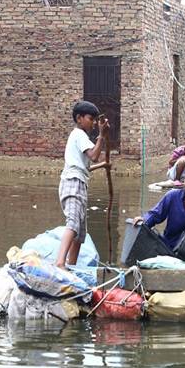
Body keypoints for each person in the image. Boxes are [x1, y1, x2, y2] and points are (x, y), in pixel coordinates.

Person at [55, 101, 110, 269]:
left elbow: (85, 165)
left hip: (79, 182)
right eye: (91, 119)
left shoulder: (81, 137)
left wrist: (104, 165)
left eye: (95, 120)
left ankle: (72, 266)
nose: (93, 123)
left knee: (80, 233)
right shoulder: (78, 134)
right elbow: (94, 155)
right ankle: (60, 263)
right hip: (72, 182)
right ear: (79, 118)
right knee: (73, 223)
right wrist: (101, 135)